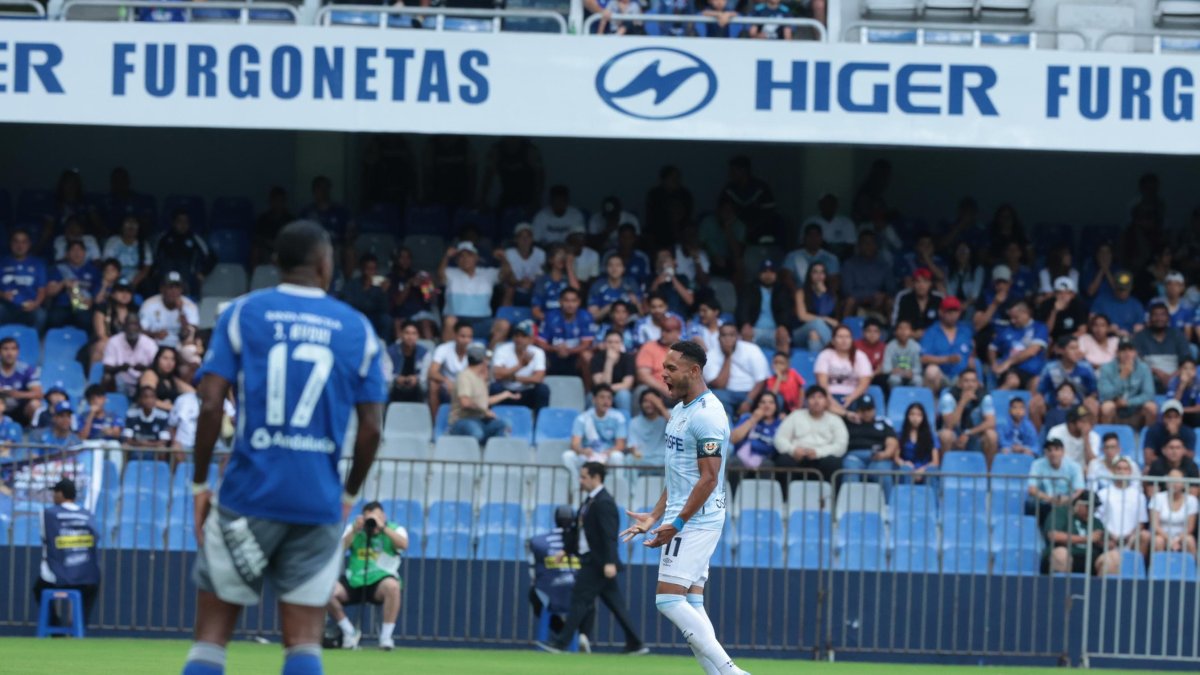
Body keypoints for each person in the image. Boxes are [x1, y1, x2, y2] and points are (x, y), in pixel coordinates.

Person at [181, 221, 387, 675]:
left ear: (276, 264)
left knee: (211, 642)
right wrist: (348, 496)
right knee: (303, 645)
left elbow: (211, 402)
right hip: (316, 503)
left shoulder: (242, 313)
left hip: (246, 497)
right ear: (325, 263)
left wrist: (199, 483)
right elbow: (372, 428)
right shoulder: (357, 329)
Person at [619, 341, 748, 674]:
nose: (663, 374)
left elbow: (708, 479)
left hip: (696, 520)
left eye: (671, 369)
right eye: (664, 367)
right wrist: (654, 515)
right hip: (683, 515)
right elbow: (677, 473)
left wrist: (676, 523)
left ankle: (732, 671)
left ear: (694, 371)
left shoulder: (708, 415)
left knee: (668, 600)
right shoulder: (679, 410)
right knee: (690, 601)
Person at [539, 462, 646, 655]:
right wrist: (566, 550)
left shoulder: (603, 502)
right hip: (596, 561)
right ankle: (636, 643)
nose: (580, 481)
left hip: (597, 563)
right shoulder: (590, 501)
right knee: (616, 605)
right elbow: (581, 532)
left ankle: (561, 643)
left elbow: (609, 534)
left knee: (579, 600)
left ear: (596, 477)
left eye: (584, 477)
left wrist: (610, 561)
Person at [326, 501, 408, 651]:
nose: (372, 521)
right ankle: (348, 632)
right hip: (354, 580)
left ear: (383, 516)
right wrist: (354, 531)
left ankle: (386, 638)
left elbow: (403, 544)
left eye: (376, 517)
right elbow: (339, 549)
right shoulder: (355, 529)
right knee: (326, 590)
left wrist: (382, 528)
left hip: (380, 582)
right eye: (369, 517)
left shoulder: (396, 529)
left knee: (393, 586)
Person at [32, 479, 100, 629]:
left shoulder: (47, 514)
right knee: (92, 586)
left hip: (58, 576)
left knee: (39, 589)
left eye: (55, 492)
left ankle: (55, 628)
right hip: (86, 576)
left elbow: (45, 538)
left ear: (61, 494)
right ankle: (78, 626)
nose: (53, 496)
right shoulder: (88, 515)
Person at [528, 505, 590, 652]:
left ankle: (563, 635)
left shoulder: (538, 541)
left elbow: (532, 572)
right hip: (577, 593)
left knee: (535, 596)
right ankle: (579, 635)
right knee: (588, 598)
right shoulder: (582, 542)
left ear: (555, 519)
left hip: (549, 595)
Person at [773, 385, 849, 483]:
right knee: (783, 460)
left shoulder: (835, 420)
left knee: (834, 462)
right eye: (812, 397)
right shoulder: (796, 415)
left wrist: (818, 452)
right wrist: (792, 450)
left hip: (822, 458)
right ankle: (785, 497)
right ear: (806, 401)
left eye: (820, 397)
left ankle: (830, 497)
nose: (816, 401)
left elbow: (841, 445)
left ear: (826, 401)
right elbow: (780, 438)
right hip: (798, 457)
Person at [437, 242, 511, 342]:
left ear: (476, 258)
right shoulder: (450, 272)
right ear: (457, 260)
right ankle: (449, 356)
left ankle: (489, 355)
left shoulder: (488, 273)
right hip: (458, 321)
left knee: (503, 324)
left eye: (469, 255)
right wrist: (446, 256)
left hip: (482, 321)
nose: (465, 259)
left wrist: (503, 259)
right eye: (461, 256)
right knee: (449, 321)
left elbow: (506, 275)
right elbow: (440, 276)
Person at [448, 344, 515, 445]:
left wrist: (505, 394)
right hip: (462, 420)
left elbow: (483, 401)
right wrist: (485, 411)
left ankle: (493, 456)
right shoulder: (465, 376)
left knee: (504, 425)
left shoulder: (480, 378)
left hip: (479, 420)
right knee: (477, 433)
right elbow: (465, 402)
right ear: (484, 360)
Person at [1094, 458, 1150, 573]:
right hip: (1108, 539)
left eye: (1125, 469)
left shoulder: (1139, 496)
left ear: (1130, 472)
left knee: (1145, 535)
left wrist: (1129, 537)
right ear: (1113, 472)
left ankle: (1137, 570)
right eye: (1118, 469)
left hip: (1131, 540)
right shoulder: (1102, 494)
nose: (1121, 472)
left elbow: (1141, 522)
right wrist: (1110, 536)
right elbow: (1097, 521)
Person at [703, 324, 770, 419]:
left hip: (751, 392)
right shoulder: (710, 355)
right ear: (718, 338)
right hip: (726, 393)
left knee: (775, 399)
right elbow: (720, 385)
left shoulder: (752, 349)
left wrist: (748, 401)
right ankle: (729, 423)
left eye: (731, 335)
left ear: (738, 337)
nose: (728, 339)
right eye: (724, 335)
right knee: (713, 396)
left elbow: (761, 380)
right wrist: (728, 356)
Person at [1032, 336, 1099, 427]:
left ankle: (1088, 436)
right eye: (1072, 348)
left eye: (1077, 348)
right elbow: (1041, 391)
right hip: (1054, 407)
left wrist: (1089, 400)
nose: (1077, 351)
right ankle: (1038, 437)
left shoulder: (1086, 368)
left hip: (1078, 408)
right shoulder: (1050, 368)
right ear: (1061, 350)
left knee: (1092, 405)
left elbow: (1093, 392)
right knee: (1034, 404)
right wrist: (1039, 399)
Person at [565, 385, 628, 475]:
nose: (606, 401)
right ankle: (575, 487)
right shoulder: (583, 418)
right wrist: (583, 451)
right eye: (602, 397)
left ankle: (616, 487)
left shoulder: (618, 417)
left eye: (609, 398)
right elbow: (574, 444)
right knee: (568, 455)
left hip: (607, 456)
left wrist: (608, 452)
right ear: (594, 399)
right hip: (588, 455)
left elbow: (620, 445)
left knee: (617, 456)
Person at [537, 287, 596, 384]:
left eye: (573, 301)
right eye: (566, 301)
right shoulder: (550, 316)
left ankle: (588, 393)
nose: (570, 304)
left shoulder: (586, 316)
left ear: (579, 302)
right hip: (553, 355)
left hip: (575, 356)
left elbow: (586, 343)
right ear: (560, 302)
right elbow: (540, 342)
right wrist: (555, 349)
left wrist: (568, 350)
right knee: (538, 355)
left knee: (587, 356)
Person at [988, 300, 1049, 392]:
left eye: (1016, 317)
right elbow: (992, 348)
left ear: (1026, 313)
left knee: (1036, 384)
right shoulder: (1006, 330)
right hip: (1011, 370)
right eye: (1011, 318)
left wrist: (1008, 362)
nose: (1013, 321)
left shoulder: (1039, 327)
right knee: (1013, 381)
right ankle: (990, 401)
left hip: (1032, 371)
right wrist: (994, 363)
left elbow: (1032, 351)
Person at [490, 320, 549, 412]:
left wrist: (513, 378)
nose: (519, 339)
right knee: (494, 388)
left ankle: (539, 423)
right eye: (516, 336)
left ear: (531, 339)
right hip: (506, 392)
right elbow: (497, 374)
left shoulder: (538, 352)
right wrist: (520, 365)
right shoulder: (502, 349)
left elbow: (538, 378)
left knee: (543, 389)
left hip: (526, 392)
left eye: (523, 336)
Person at [840, 395, 899, 487]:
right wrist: (847, 414)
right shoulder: (849, 422)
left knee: (883, 472)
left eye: (870, 409)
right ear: (857, 410)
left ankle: (888, 501)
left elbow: (892, 441)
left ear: (874, 409)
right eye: (863, 410)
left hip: (878, 456)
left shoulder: (883, 422)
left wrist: (886, 454)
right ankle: (852, 501)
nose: (867, 413)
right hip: (855, 456)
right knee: (850, 470)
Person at [1133, 301, 1191, 394]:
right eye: (1155, 315)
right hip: (1149, 377)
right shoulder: (1140, 336)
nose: (1159, 318)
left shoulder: (1177, 335)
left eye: (1162, 315)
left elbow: (1187, 360)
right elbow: (1137, 362)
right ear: (1149, 318)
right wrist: (1158, 373)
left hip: (1176, 377)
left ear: (1168, 318)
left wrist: (1173, 376)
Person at [1098, 339, 1158, 428]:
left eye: (1130, 350)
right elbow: (1105, 394)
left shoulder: (1143, 368)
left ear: (1136, 352)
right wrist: (1122, 377)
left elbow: (1149, 394)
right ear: (1117, 353)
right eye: (1123, 350)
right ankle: (1108, 437)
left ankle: (1147, 437)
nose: (1127, 353)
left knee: (1151, 407)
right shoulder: (1106, 368)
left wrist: (1128, 402)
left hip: (1135, 409)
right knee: (1107, 407)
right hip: (1116, 408)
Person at [937, 369, 998, 457]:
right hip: (955, 436)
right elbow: (949, 425)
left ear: (977, 383)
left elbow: (991, 422)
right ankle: (944, 468)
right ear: (960, 383)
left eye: (973, 381)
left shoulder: (985, 397)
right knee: (946, 435)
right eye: (966, 381)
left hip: (974, 434)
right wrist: (962, 402)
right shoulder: (949, 397)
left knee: (991, 435)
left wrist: (968, 433)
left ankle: (989, 470)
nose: (970, 384)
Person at [813, 325, 872, 416]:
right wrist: (831, 400)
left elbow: (864, 382)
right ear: (833, 340)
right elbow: (822, 383)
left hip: (854, 396)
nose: (844, 340)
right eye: (840, 337)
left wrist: (850, 398)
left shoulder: (860, 356)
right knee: (820, 401)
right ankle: (845, 414)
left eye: (847, 337)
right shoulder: (825, 355)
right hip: (830, 395)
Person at [737, 259, 793, 354]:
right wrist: (745, 323)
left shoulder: (782, 290)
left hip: (775, 331)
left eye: (771, 272)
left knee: (784, 336)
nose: (768, 275)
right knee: (745, 334)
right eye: (765, 271)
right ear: (759, 274)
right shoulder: (750, 288)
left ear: (776, 274)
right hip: (754, 330)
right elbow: (743, 309)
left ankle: (783, 366)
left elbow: (786, 311)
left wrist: (783, 325)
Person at [1043, 490, 1105, 575]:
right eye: (1088, 507)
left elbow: (1110, 544)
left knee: (1113, 559)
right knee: (1061, 555)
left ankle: (1104, 588)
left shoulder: (1096, 522)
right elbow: (1053, 535)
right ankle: (1060, 587)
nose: (1092, 511)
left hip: (1091, 559)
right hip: (1066, 554)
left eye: (1094, 508)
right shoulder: (1061, 513)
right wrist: (1086, 539)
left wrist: (1100, 542)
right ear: (1078, 503)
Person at [920, 296, 975, 390]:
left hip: (961, 377)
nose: (953, 315)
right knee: (931, 371)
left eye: (955, 311)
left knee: (972, 373)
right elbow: (924, 358)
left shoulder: (966, 330)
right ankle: (933, 402)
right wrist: (947, 359)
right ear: (941, 312)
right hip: (941, 377)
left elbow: (971, 353)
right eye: (949, 312)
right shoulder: (932, 331)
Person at [154, 210, 216, 294]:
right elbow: (153, 257)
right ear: (173, 223)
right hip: (167, 274)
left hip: (187, 276)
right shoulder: (164, 238)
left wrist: (202, 273)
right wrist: (156, 270)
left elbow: (212, 257)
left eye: (186, 222)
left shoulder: (194, 238)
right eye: (180, 221)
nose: (183, 224)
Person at [1028, 438, 1085, 523]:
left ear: (1063, 452)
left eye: (1056, 449)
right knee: (1031, 504)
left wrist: (1068, 499)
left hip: (1069, 501)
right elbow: (1031, 489)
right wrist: (1050, 499)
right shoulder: (1037, 464)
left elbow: (1079, 490)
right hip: (1045, 502)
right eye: (1049, 450)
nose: (1053, 453)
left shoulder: (1074, 466)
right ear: (1045, 452)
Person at [0, 229, 48, 331]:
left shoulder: (38, 264)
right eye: (16, 241)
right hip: (6, 306)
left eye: (23, 242)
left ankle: (32, 342)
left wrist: (36, 304)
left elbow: (42, 290)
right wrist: (3, 295)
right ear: (11, 244)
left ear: (29, 244)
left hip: (29, 306)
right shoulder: (2, 262)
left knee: (41, 315)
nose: (19, 245)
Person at [47, 240, 101, 332]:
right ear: (67, 254)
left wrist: (91, 301)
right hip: (63, 305)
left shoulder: (93, 270)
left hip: (83, 304)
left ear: (84, 253)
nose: (77, 253)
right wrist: (63, 283)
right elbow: (50, 292)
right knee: (54, 319)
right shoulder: (59, 268)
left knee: (86, 320)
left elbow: (97, 293)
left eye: (79, 250)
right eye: (73, 250)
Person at [102, 315, 158, 398]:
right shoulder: (114, 341)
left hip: (142, 381)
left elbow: (157, 366)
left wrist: (144, 368)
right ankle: (112, 401)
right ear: (124, 327)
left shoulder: (150, 343)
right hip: (120, 379)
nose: (131, 328)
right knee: (107, 377)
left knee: (150, 376)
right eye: (129, 324)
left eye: (135, 324)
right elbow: (107, 367)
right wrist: (121, 367)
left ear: (139, 327)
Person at [139, 272, 199, 349]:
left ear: (181, 290)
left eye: (177, 287)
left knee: (190, 349)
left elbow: (190, 334)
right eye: (170, 287)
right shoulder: (149, 304)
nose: (174, 291)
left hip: (179, 345)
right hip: (154, 344)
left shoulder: (190, 306)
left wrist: (181, 311)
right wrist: (154, 334)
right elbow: (140, 330)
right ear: (162, 289)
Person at [729, 391, 784, 474]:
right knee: (735, 463)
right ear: (757, 405)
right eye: (763, 402)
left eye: (771, 402)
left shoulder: (780, 423)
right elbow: (733, 439)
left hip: (766, 461)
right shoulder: (747, 417)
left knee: (768, 465)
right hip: (742, 459)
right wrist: (753, 419)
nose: (767, 405)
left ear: (776, 406)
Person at [340, 255, 390, 340]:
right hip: (356, 315)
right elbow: (348, 303)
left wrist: (383, 292)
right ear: (362, 269)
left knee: (386, 320)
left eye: (373, 269)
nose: (370, 272)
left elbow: (384, 308)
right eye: (368, 268)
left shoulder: (379, 286)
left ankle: (383, 344)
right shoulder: (352, 284)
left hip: (373, 316)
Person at [792, 261, 839, 353]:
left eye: (822, 272)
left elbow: (836, 321)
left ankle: (816, 364)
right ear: (809, 275)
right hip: (800, 333)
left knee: (814, 335)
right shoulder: (801, 292)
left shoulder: (831, 294)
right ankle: (837, 349)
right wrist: (825, 319)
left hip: (823, 333)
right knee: (817, 323)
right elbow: (802, 316)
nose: (818, 275)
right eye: (815, 272)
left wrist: (823, 295)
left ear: (825, 276)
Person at [428, 322, 473, 417]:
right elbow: (432, 372)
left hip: (468, 384)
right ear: (455, 336)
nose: (466, 340)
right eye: (463, 336)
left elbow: (481, 373)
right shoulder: (443, 348)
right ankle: (436, 420)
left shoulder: (475, 350)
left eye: (469, 337)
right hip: (447, 385)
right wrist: (446, 381)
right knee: (433, 384)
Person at [1149, 468, 1199, 554]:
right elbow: (1155, 525)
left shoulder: (1192, 500)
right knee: (1158, 541)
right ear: (1166, 482)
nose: (1174, 483)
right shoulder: (1157, 497)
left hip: (1182, 536)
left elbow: (1190, 527)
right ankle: (1158, 567)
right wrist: (1169, 539)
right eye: (1171, 479)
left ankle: (1193, 567)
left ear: (1183, 483)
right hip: (1162, 535)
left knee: (1189, 540)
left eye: (1177, 480)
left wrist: (1177, 540)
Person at [91, 277, 137, 367]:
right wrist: (119, 347)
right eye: (120, 291)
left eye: (128, 291)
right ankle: (94, 379)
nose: (125, 294)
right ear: (112, 294)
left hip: (129, 344)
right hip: (107, 343)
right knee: (101, 345)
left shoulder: (135, 310)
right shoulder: (102, 308)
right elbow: (102, 335)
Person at [635, 316, 682, 404]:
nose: (663, 334)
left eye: (668, 331)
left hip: (681, 390)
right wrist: (664, 389)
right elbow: (643, 375)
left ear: (678, 333)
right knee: (641, 390)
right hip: (657, 391)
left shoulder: (685, 349)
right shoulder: (649, 347)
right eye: (662, 330)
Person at [590, 330, 636, 416]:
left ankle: (625, 423)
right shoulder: (596, 358)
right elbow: (600, 386)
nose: (613, 345)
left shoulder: (628, 358)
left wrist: (607, 388)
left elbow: (627, 384)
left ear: (621, 344)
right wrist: (609, 361)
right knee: (593, 397)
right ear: (604, 344)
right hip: (600, 392)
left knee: (624, 395)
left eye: (616, 342)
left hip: (618, 391)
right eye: (609, 342)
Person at [1142, 400, 1197, 469]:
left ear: (1181, 418)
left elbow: (1190, 458)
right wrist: (1169, 461)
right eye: (1169, 417)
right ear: (1163, 418)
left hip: (1181, 467)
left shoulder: (1189, 432)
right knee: (1147, 469)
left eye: (1176, 417)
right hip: (1160, 466)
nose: (1172, 420)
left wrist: (1174, 435)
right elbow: (1148, 458)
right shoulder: (1153, 431)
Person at [103, 217, 154, 291]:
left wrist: (133, 283)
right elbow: (108, 263)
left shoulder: (143, 244)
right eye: (128, 223)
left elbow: (146, 268)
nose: (131, 226)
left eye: (134, 224)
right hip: (115, 274)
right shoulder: (113, 241)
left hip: (135, 276)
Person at [0, 336, 42, 425]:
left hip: (21, 409)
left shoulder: (26, 369)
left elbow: (38, 393)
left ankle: (32, 431)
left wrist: (16, 394)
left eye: (13, 349)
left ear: (18, 352)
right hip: (1, 408)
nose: (9, 353)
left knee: (35, 404)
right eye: (5, 349)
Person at [588, 255, 641, 324]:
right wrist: (611, 307)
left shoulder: (631, 285)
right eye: (611, 265)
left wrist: (636, 303)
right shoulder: (598, 286)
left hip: (629, 325)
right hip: (604, 325)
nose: (614, 268)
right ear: (606, 268)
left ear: (623, 268)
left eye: (618, 265)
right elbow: (593, 317)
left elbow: (643, 314)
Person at [896, 402, 940, 487]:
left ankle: (931, 499)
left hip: (925, 468)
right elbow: (896, 457)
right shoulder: (900, 435)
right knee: (905, 469)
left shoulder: (931, 436)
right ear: (907, 416)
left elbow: (935, 461)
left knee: (931, 470)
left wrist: (922, 470)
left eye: (919, 415)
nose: (915, 418)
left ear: (923, 417)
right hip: (908, 468)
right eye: (912, 414)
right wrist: (904, 464)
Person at [891, 268, 943, 339]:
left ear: (930, 284)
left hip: (933, 339)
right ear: (913, 283)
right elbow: (894, 323)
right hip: (906, 339)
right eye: (918, 281)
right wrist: (911, 334)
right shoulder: (903, 297)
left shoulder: (938, 299)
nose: (921, 285)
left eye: (925, 281)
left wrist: (926, 333)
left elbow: (945, 323)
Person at [123, 385, 172, 459]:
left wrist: (147, 444)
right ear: (140, 399)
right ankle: (125, 470)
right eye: (145, 397)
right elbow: (128, 439)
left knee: (162, 449)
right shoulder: (131, 415)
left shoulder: (162, 416)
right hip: (136, 446)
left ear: (155, 399)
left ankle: (160, 469)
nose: (149, 400)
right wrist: (141, 444)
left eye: (152, 397)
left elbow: (164, 441)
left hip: (154, 447)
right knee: (125, 446)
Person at [386, 321, 430, 404]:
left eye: (414, 334)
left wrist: (416, 379)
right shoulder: (390, 352)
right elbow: (386, 374)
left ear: (418, 336)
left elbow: (425, 375)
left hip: (417, 388)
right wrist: (397, 379)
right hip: (396, 387)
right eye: (407, 333)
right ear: (401, 334)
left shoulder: (424, 353)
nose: (410, 337)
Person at [1036, 276, 1089, 343]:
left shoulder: (1078, 304)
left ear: (1072, 294)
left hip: (1072, 339)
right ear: (1055, 294)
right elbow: (1046, 331)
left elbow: (1082, 330)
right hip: (1053, 339)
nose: (1063, 296)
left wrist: (1064, 341)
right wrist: (1054, 311)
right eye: (1059, 293)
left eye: (1067, 293)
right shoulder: (1047, 304)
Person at [504, 223, 546, 308]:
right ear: (516, 239)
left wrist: (532, 283)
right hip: (514, 287)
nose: (525, 240)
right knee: (509, 289)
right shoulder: (509, 253)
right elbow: (506, 275)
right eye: (521, 237)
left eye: (528, 237)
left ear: (532, 239)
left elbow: (542, 276)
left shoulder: (540, 253)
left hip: (534, 287)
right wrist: (519, 283)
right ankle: (505, 316)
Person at [1090, 271, 1144, 337]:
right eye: (1120, 289)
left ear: (1130, 288)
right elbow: (1091, 323)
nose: (1122, 292)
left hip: (1129, 341)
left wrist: (1130, 335)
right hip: (1106, 339)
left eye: (1125, 289)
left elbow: (1140, 328)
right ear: (1114, 286)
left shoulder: (1136, 305)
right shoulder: (1101, 300)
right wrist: (1108, 329)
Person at [628, 390, 670, 469]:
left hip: (662, 460)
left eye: (652, 401)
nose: (648, 404)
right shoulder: (634, 422)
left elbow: (676, 427)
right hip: (642, 460)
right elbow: (632, 445)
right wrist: (635, 452)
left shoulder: (667, 416)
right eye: (645, 401)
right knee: (629, 459)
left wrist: (660, 406)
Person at [883, 319, 922, 388]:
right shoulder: (890, 346)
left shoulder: (916, 346)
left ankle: (915, 398)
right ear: (895, 332)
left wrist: (911, 372)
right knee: (894, 379)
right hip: (895, 374)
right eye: (900, 328)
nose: (903, 331)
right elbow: (886, 368)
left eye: (906, 328)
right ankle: (895, 398)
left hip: (911, 375)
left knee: (918, 380)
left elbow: (918, 368)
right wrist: (894, 371)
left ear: (911, 332)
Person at [1166, 359, 1200, 428]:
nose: (1188, 371)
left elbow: (1198, 408)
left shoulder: (1198, 383)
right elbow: (1172, 405)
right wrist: (1182, 386)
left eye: (1191, 368)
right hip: (1176, 416)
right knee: (1171, 416)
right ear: (1179, 370)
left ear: (1195, 371)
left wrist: (1181, 410)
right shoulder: (1173, 383)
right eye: (1185, 368)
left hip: (1192, 415)